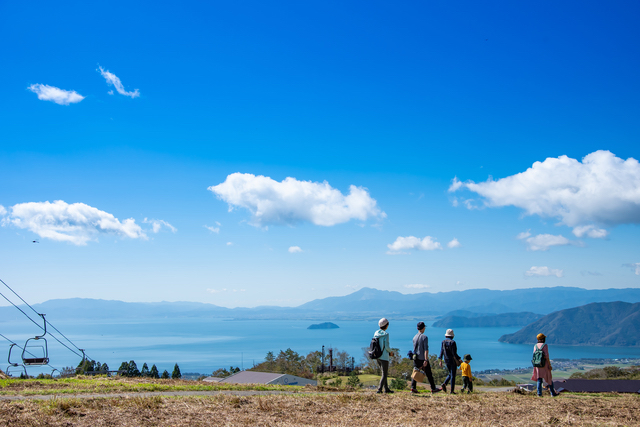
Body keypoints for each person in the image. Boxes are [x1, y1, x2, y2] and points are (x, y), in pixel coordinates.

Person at [410, 321, 441, 394]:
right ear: (423, 328)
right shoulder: (425, 337)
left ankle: (413, 388)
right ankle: (433, 388)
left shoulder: (414, 337)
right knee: (429, 374)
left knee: (415, 372)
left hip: (416, 358)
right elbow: (426, 349)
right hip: (422, 358)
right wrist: (426, 359)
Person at [374, 318, 395, 394]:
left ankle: (386, 388)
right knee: (385, 373)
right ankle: (379, 389)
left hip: (377, 356)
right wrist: (391, 352)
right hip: (384, 356)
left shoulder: (376, 333)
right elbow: (387, 346)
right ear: (386, 325)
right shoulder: (386, 334)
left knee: (383, 373)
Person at [438, 329, 461, 394]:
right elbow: (454, 353)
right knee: (453, 375)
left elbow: (441, 351)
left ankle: (445, 383)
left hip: (446, 360)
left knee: (450, 373)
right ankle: (452, 390)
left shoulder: (443, 342)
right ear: (452, 336)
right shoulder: (453, 342)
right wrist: (459, 359)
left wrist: (440, 360)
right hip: (452, 360)